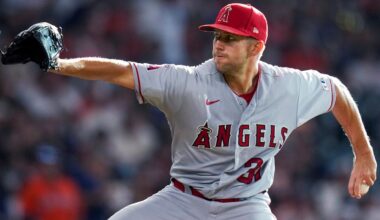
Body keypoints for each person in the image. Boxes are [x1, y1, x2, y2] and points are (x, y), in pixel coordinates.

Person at [6, 3, 378, 220]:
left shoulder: (289, 87)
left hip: (245, 207)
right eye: (217, 35)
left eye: (231, 38)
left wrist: (362, 152)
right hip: (184, 200)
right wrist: (58, 65)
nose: (219, 43)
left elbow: (336, 92)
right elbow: (119, 69)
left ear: (256, 47)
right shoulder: (186, 83)